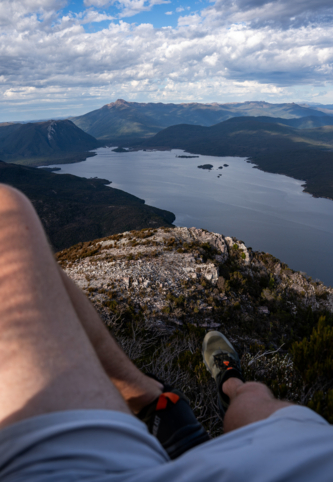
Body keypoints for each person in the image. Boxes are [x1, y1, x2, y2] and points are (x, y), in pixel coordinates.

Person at [0, 183, 332, 481]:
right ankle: (222, 384)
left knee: (9, 211)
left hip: (105, 467)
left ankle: (186, 390)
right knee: (257, 405)